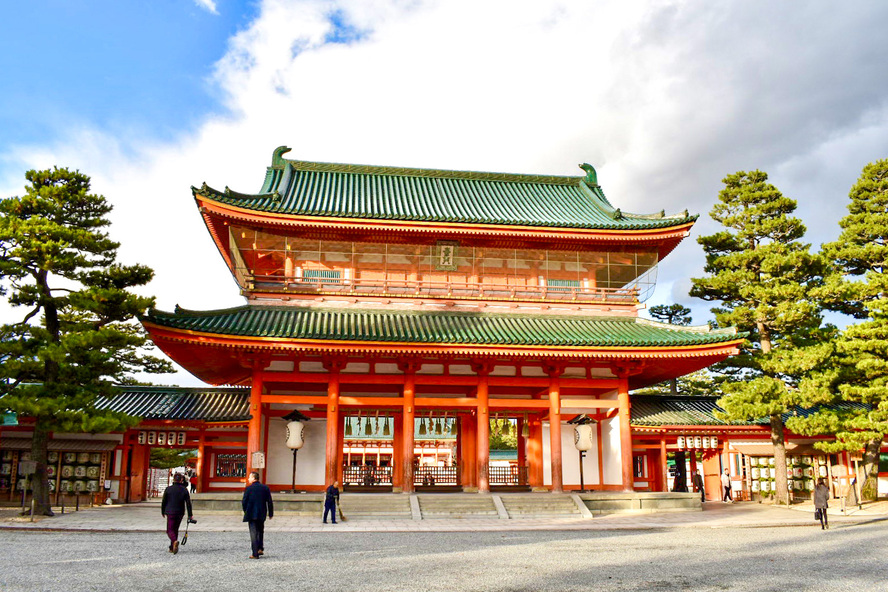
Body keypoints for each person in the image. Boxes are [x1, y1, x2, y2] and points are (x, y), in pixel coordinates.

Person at [242, 471, 274, 559]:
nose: (248, 479)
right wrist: (270, 513)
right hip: (261, 512)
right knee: (260, 531)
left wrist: (246, 511)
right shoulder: (265, 488)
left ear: (253, 478)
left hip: (251, 513)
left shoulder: (248, 489)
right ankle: (260, 548)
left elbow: (244, 501)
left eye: (249, 477)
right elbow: (269, 501)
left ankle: (255, 553)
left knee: (253, 533)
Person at [161, 473, 193, 554]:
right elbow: (188, 503)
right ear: (181, 480)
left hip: (170, 511)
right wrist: (190, 514)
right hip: (180, 511)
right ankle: (172, 547)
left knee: (169, 530)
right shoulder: (184, 490)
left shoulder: (168, 489)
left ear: (173, 479)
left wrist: (162, 511)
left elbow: (164, 501)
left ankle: (174, 541)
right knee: (175, 529)